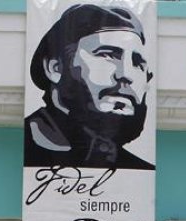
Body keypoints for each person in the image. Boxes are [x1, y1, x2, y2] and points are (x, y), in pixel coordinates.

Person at [25, 4, 155, 170]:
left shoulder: (139, 172)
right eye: (107, 55)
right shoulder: (25, 150)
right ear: (55, 68)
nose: (126, 74)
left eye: (138, 63)